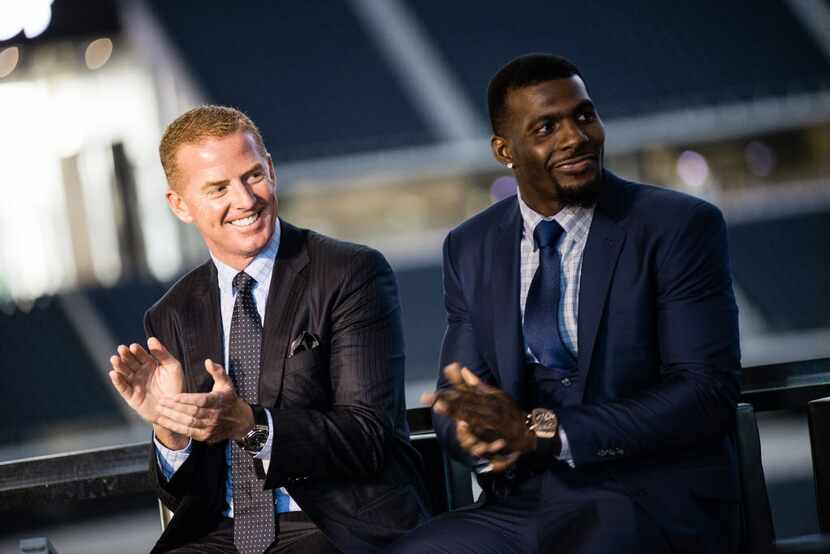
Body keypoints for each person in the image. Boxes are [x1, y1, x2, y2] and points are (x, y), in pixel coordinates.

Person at [392, 54, 741, 553]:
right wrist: (471, 431)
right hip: (522, 504)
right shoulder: (470, 246)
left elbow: (705, 391)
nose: (575, 137)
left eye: (583, 115)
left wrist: (547, 433)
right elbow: (459, 393)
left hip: (651, 496)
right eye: (546, 127)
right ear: (504, 150)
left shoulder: (678, 226)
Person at [108, 106, 430, 554]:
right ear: (180, 205)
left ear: (272, 171)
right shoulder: (172, 314)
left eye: (253, 176)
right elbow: (180, 496)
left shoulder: (351, 273)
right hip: (220, 535)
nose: (245, 200)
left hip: (334, 525)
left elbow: (367, 437)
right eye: (218, 188)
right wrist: (171, 430)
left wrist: (248, 426)